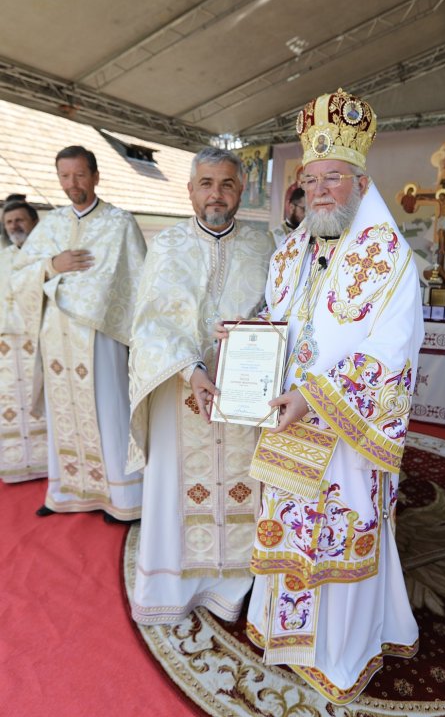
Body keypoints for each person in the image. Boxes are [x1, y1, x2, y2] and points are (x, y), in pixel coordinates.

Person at [242, 88, 424, 704]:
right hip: (288, 426)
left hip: (345, 435)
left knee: (340, 534)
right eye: (311, 179)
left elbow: (392, 352)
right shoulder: (290, 252)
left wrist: (315, 398)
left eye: (334, 179)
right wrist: (246, 339)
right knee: (288, 529)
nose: (320, 190)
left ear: (361, 182)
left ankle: (341, 653)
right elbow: (279, 319)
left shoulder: (391, 259)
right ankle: (283, 634)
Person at [127, 147, 275, 625]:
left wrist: (255, 336)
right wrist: (193, 369)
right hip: (181, 390)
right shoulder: (167, 245)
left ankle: (241, 584)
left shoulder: (264, 244)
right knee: (179, 488)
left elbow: (280, 309)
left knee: (245, 484)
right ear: (190, 190)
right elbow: (148, 324)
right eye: (207, 184)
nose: (217, 194)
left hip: (246, 393)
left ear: (241, 191)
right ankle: (179, 585)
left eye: (227, 184)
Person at [12, 146, 146, 521]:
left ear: (96, 176)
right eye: (64, 176)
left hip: (100, 337)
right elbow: (18, 278)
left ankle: (120, 499)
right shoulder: (51, 226)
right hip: (57, 337)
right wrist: (52, 265)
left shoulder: (120, 223)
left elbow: (138, 284)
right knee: (62, 417)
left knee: (109, 413)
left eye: (79, 175)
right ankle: (65, 492)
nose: (72, 184)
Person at [0, 201, 48, 482]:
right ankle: (15, 463)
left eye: (20, 220)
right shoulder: (3, 256)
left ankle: (46, 463)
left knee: (36, 397)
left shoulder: (45, 255)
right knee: (9, 402)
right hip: (6, 344)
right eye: (9, 222)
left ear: (34, 222)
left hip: (36, 339)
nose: (15, 226)